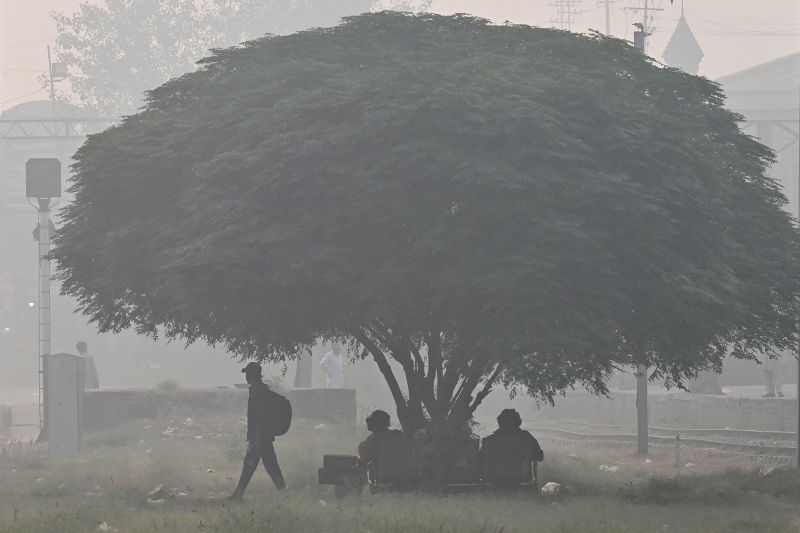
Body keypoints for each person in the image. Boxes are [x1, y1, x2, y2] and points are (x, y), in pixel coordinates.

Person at [228, 362, 286, 500]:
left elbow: (261, 417)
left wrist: (258, 439)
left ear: (251, 375)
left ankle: (238, 494)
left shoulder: (258, 391)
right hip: (262, 436)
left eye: (247, 374)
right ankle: (284, 493)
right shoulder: (260, 390)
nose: (246, 377)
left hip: (260, 436)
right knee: (270, 466)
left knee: (250, 464)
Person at [480, 409, 543, 483]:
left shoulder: (490, 440)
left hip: (493, 483)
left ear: (500, 423)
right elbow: (539, 456)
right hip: (519, 482)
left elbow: (480, 460)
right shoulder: (525, 437)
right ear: (518, 423)